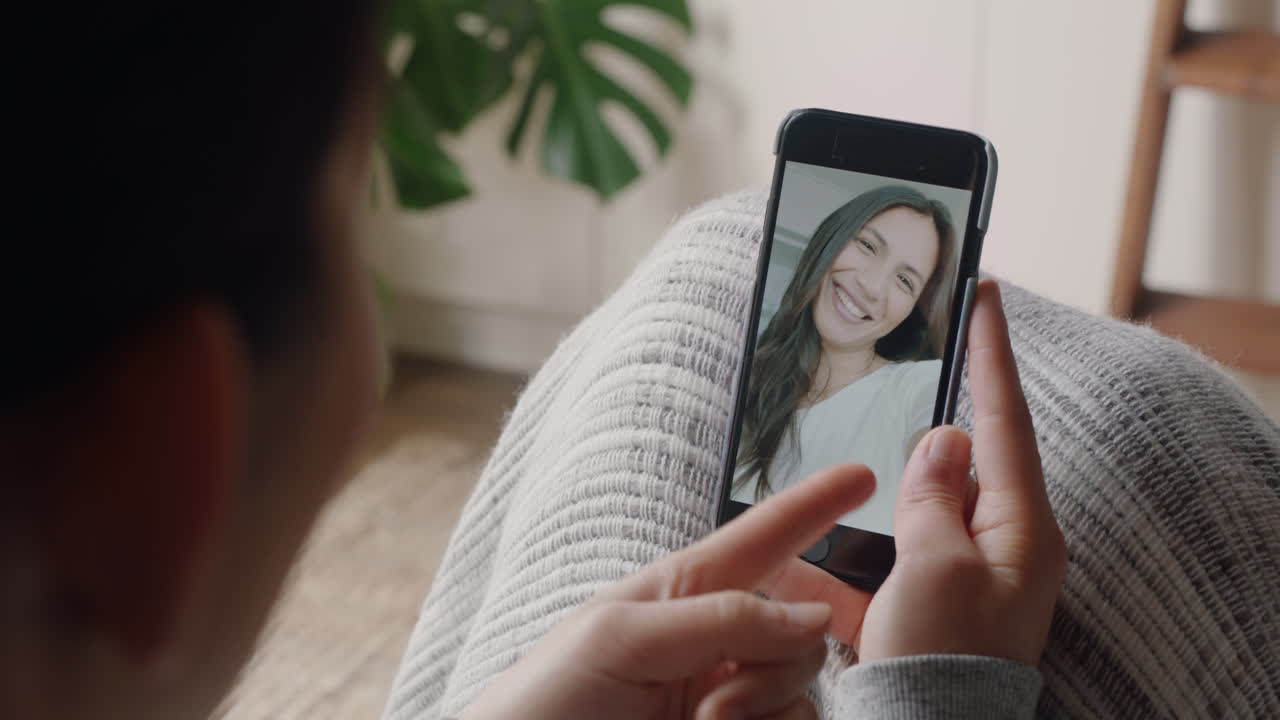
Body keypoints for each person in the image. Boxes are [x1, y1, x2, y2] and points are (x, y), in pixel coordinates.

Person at [733, 186, 958, 535]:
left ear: (911, 312)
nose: (871, 286)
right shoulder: (749, 379)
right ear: (831, 241)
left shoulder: (921, 386)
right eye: (867, 246)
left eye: (904, 280)